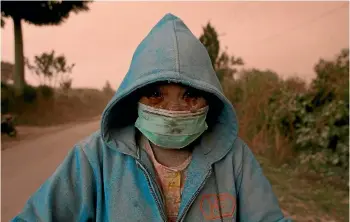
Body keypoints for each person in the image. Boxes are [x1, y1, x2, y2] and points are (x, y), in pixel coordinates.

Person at [12, 13, 291, 222]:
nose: (174, 109)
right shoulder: (94, 158)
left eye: (190, 94)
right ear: (134, 98)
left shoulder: (234, 160)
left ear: (211, 98)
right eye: (156, 93)